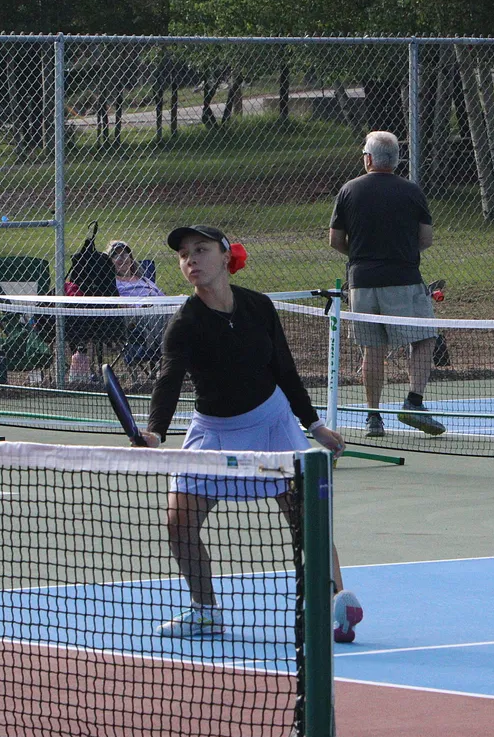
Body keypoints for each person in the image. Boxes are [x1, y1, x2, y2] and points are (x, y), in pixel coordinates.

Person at [139, 225, 362, 643]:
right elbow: (168, 379)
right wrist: (155, 432)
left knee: (307, 521)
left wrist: (315, 426)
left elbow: (285, 371)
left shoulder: (258, 307)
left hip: (272, 423)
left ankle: (334, 604)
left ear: (226, 257)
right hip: (214, 431)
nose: (191, 259)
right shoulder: (184, 322)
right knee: (178, 521)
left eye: (200, 250)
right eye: (184, 254)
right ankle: (205, 611)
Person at [329, 130, 446, 439]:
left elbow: (335, 240)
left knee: (373, 350)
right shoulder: (412, 191)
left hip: (362, 283)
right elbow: (426, 239)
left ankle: (373, 418)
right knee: (424, 338)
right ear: (396, 160)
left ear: (368, 159)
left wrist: (360, 256)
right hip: (404, 279)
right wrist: (401, 255)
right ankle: (413, 401)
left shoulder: (348, 190)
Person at [107, 240, 168, 366]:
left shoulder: (144, 280)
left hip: (161, 308)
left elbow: (163, 297)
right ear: (109, 261)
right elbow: (119, 304)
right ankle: (171, 356)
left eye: (125, 254)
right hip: (137, 316)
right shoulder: (112, 282)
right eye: (115, 255)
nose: (121, 258)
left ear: (131, 259)